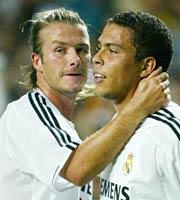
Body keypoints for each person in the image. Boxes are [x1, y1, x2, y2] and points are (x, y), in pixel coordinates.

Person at [0, 8, 170, 200]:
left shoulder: (62, 124)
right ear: (37, 61)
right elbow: (77, 171)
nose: (74, 59)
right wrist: (137, 107)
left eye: (81, 50)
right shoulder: (25, 114)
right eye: (60, 50)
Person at [92, 10, 180, 200]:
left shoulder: (168, 134)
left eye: (113, 50)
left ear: (146, 66)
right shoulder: (118, 126)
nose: (97, 57)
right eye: (99, 47)